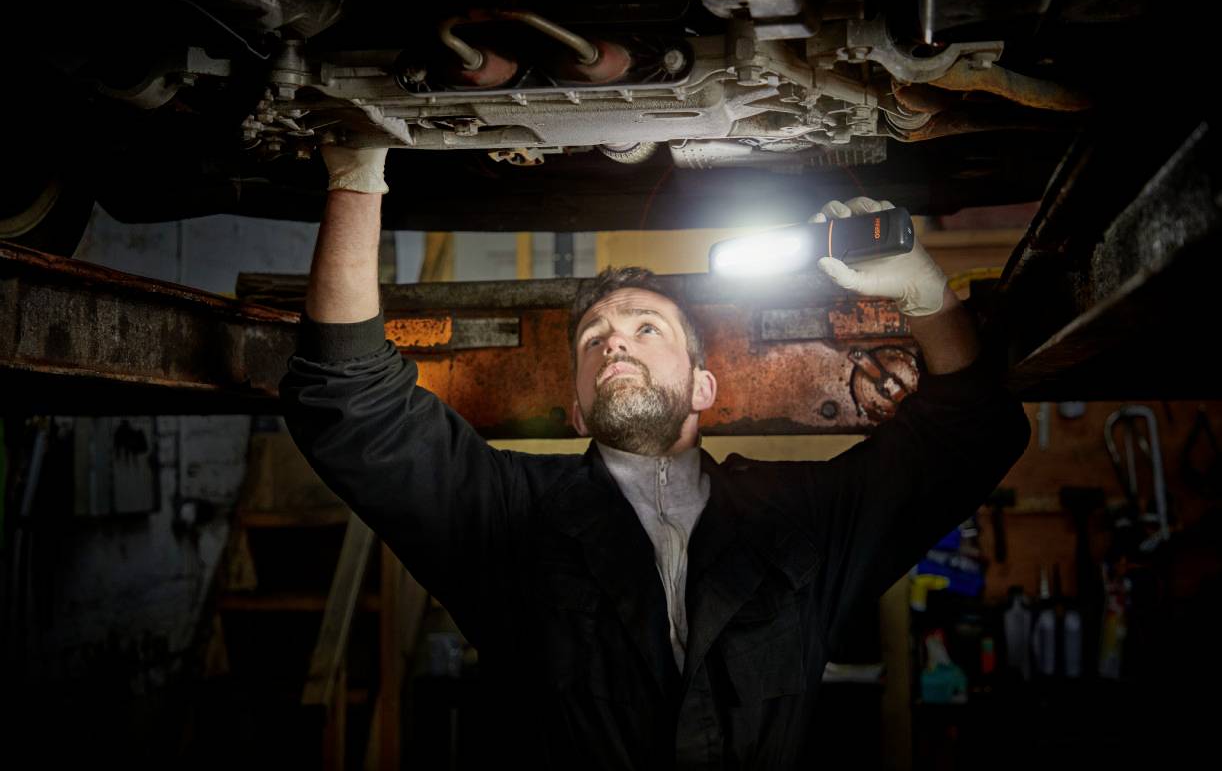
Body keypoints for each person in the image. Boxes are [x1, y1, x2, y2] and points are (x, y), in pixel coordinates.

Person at [280, 146, 1030, 768]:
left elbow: (969, 438)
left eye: (647, 329)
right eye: (594, 338)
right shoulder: (512, 517)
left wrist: (925, 293)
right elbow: (352, 405)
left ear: (705, 386)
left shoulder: (801, 522)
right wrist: (356, 172)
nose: (614, 340)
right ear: (576, 409)